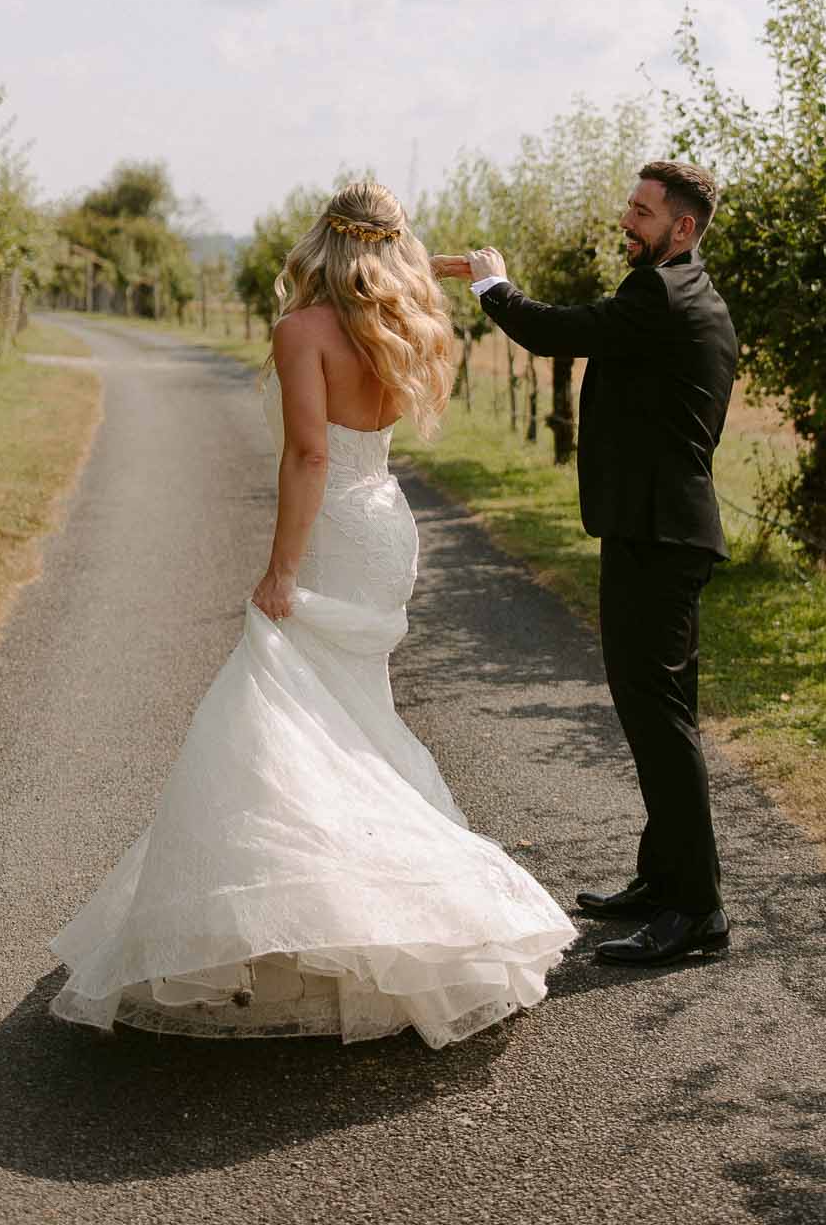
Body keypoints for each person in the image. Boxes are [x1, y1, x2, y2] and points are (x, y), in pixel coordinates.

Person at [48, 182, 575, 1049]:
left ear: (319, 243)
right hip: (385, 524)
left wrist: (279, 568)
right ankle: (353, 905)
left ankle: (330, 906)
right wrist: (441, 267)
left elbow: (307, 452)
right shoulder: (409, 324)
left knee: (282, 710)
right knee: (350, 715)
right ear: (389, 248)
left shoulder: (302, 331)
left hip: (333, 524)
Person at [434, 160, 737, 969]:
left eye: (641, 213)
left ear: (682, 228)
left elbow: (557, 331)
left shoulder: (661, 296)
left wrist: (495, 287)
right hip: (659, 533)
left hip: (657, 538)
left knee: (659, 722)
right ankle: (659, 878)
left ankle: (696, 913)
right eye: (628, 208)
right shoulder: (688, 292)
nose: (626, 222)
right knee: (658, 716)